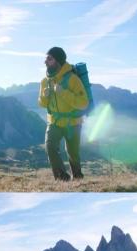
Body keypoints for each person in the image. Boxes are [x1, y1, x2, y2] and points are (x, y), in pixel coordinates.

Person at [38, 47, 89, 181]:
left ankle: (77, 177)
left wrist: (63, 93)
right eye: (46, 58)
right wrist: (45, 96)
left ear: (58, 61)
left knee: (73, 153)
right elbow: (42, 104)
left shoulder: (73, 79)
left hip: (73, 123)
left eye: (49, 58)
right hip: (54, 122)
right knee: (50, 147)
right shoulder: (44, 81)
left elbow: (83, 103)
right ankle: (62, 179)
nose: (45, 61)